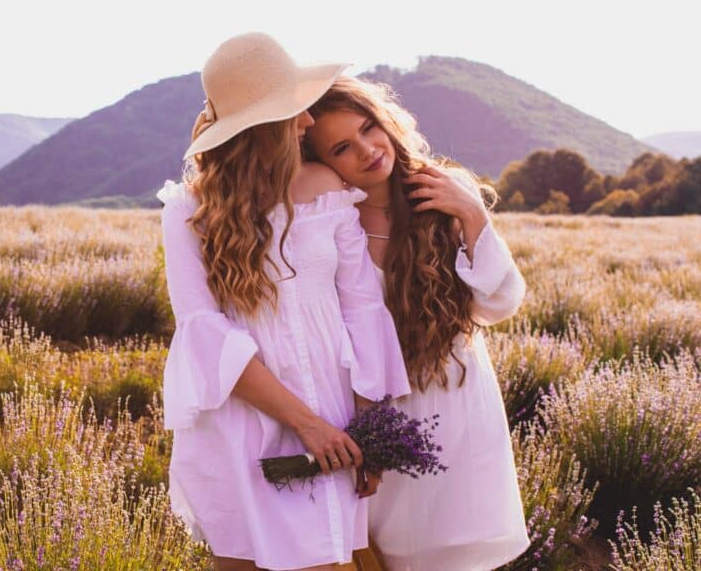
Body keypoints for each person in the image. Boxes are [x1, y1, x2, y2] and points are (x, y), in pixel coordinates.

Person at [158, 33, 410, 571]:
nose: (308, 123)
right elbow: (202, 331)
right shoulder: (187, 210)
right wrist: (304, 422)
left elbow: (363, 309)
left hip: (336, 419)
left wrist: (369, 431)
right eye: (292, 111)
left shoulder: (326, 186)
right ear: (262, 128)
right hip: (244, 422)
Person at [302, 75, 531, 571]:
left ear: (387, 121)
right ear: (322, 163)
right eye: (343, 147)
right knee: (387, 550)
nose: (367, 150)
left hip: (456, 400)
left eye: (369, 128)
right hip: (380, 408)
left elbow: (501, 302)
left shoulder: (444, 191)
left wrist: (471, 212)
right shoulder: (327, 220)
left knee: (458, 549)